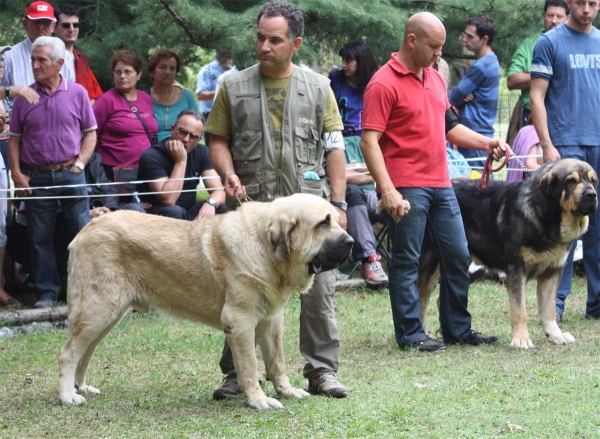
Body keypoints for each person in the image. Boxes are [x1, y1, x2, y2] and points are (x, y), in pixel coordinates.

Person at [205, 1, 349, 399]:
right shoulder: (232, 88)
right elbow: (217, 141)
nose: (264, 46)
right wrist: (227, 172)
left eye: (275, 40)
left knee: (318, 292)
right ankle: (237, 374)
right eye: (260, 38)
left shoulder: (320, 88)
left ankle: (322, 371)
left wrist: (338, 203)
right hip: (253, 214)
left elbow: (334, 149)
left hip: (309, 218)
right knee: (243, 292)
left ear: (295, 43)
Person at [360, 12, 505, 352]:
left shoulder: (435, 77)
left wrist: (487, 143)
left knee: (457, 255)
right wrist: (388, 189)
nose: (440, 53)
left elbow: (449, 126)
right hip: (407, 186)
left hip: (442, 183)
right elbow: (369, 141)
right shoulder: (383, 83)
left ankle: (457, 329)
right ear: (412, 41)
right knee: (407, 260)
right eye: (434, 46)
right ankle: (411, 334)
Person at [8, 36, 96, 309]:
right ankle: (47, 293)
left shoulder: (78, 93)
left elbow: (90, 133)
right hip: (38, 175)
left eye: (41, 60)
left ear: (59, 63)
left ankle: (82, 291)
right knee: (39, 237)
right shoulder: (24, 97)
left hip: (71, 172)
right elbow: (14, 138)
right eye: (33, 59)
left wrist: (80, 163)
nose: (34, 65)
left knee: (81, 234)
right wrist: (17, 174)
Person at [530, 0, 600, 322]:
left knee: (598, 230)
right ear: (569, 2)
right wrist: (547, 144)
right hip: (566, 146)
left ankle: (597, 305)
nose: (587, 9)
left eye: (594, 3)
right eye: (581, 2)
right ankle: (554, 307)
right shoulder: (550, 41)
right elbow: (537, 97)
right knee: (563, 230)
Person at [329, 42, 387, 285]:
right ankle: (370, 259)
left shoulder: (376, 85)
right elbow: (336, 174)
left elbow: (381, 172)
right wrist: (368, 173)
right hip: (346, 164)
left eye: (349, 61)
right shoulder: (335, 81)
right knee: (351, 192)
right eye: (342, 60)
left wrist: (369, 174)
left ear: (361, 62)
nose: (344, 65)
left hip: (375, 189)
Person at [137, 109, 225, 220]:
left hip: (188, 211)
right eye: (183, 132)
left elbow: (219, 191)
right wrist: (181, 161)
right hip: (158, 213)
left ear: (199, 139)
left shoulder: (202, 152)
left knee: (220, 206)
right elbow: (169, 199)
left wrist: (211, 204)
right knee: (175, 211)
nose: (186, 139)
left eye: (193, 136)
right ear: (173, 129)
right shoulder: (151, 155)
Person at [94, 50, 158, 180]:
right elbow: (91, 135)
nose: (122, 76)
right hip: (114, 171)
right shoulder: (106, 101)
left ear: (138, 74)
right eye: (118, 72)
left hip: (146, 169)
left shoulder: (146, 98)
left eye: (127, 72)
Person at [448, 16, 500, 173]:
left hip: (475, 134)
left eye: (470, 36)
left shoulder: (482, 66)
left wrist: (458, 96)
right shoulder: (491, 60)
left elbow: (453, 97)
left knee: (478, 189)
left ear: (484, 39)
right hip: (480, 132)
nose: (465, 39)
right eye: (465, 35)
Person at [507, 1, 569, 127]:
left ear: (568, 18)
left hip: (566, 117)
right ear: (543, 16)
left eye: (559, 17)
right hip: (532, 117)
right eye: (550, 15)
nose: (554, 20)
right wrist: (543, 76)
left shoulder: (574, 44)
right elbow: (512, 80)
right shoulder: (529, 44)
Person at [0, 1, 74, 89]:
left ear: (53, 26)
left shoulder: (65, 57)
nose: (41, 27)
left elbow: (71, 92)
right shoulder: (9, 57)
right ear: (25, 24)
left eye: (46, 22)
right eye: (36, 22)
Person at [53, 4, 103, 103]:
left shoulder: (81, 57)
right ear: (53, 28)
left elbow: (95, 94)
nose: (72, 29)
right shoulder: (46, 57)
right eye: (66, 25)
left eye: (75, 25)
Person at [148, 49, 199, 142]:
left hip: (183, 148)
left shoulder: (187, 97)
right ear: (152, 71)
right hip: (151, 150)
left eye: (172, 68)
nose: (167, 72)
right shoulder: (143, 98)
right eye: (162, 67)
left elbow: (197, 127)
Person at [195, 50, 234, 145]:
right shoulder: (207, 70)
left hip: (232, 116)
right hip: (211, 116)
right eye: (224, 54)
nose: (227, 58)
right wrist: (220, 91)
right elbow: (200, 95)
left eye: (229, 55)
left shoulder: (235, 71)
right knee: (213, 149)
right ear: (216, 55)